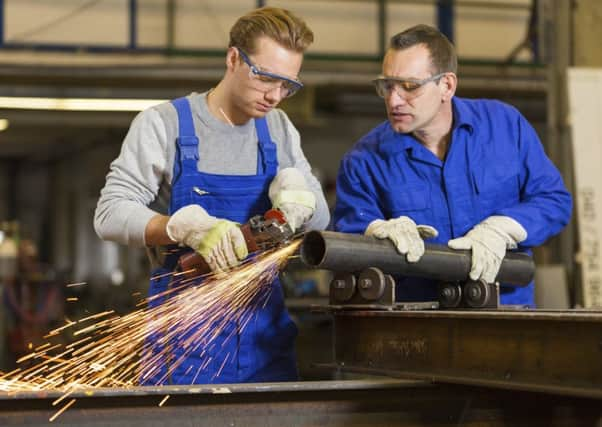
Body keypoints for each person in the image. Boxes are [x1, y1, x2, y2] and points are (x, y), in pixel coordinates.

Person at [94, 6, 329, 385]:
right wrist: (180, 227)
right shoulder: (165, 124)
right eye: (266, 77)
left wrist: (299, 200)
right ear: (234, 58)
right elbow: (109, 213)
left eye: (288, 84)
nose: (276, 96)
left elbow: (321, 223)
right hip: (185, 342)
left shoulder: (278, 130)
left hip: (264, 338)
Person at [333, 24, 571, 307]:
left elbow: (554, 200)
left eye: (409, 86)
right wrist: (373, 231)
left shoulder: (505, 127)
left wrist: (504, 228)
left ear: (446, 85)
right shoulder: (363, 161)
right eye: (387, 86)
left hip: (506, 317)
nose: (393, 100)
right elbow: (349, 236)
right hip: (417, 327)